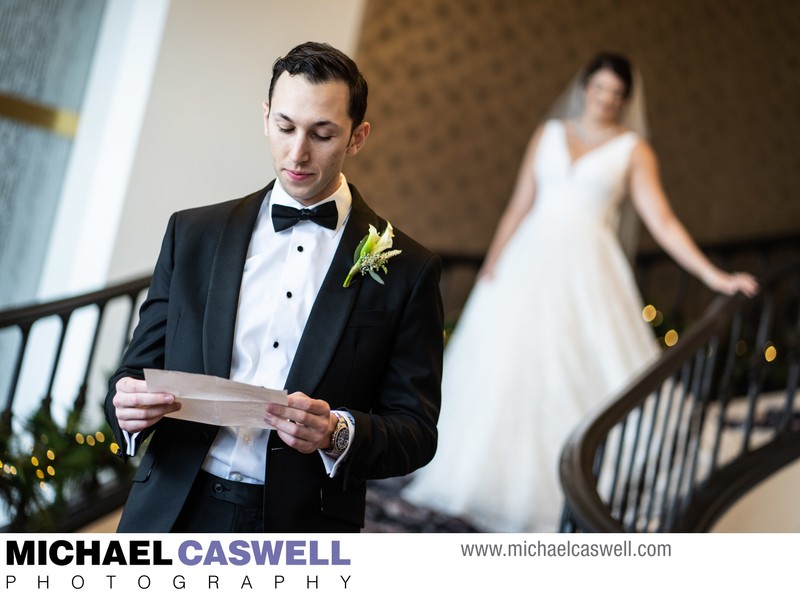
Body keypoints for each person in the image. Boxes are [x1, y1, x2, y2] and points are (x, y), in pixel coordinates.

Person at [400, 52, 758, 532]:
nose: (606, 100)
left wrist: (716, 276)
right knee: (506, 369)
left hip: (589, 270)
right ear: (584, 88)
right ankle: (488, 481)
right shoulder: (548, 134)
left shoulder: (633, 150)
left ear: (625, 100)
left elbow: (664, 222)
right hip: (526, 264)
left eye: (616, 94)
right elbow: (519, 205)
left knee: (577, 368)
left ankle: (566, 487)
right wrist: (494, 262)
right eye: (599, 89)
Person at [104, 41, 444, 533]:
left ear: (357, 137)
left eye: (322, 134)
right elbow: (135, 372)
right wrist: (127, 408)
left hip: (303, 526)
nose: (297, 152)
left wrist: (337, 432)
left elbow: (415, 430)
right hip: (171, 509)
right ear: (265, 117)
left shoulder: (409, 269)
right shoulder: (192, 235)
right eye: (285, 127)